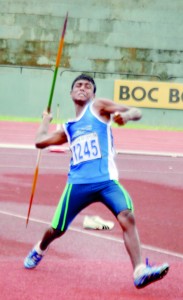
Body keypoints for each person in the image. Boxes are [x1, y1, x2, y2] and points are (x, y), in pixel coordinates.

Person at [24, 74, 169, 289]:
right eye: (78, 86)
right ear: (72, 93)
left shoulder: (99, 107)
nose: (83, 88)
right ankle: (40, 249)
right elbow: (39, 142)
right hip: (77, 185)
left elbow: (136, 111)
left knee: (127, 215)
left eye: (88, 86)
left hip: (106, 182)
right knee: (57, 229)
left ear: (93, 93)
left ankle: (139, 270)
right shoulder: (69, 127)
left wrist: (126, 117)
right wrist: (46, 119)